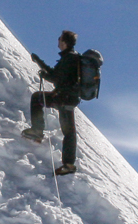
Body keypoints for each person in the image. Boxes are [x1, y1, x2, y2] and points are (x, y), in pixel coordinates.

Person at [24, 30, 89, 175]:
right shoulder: (74, 58)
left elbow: (55, 78)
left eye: (60, 39)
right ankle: (69, 164)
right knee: (69, 132)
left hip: (62, 97)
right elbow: (57, 75)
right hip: (70, 99)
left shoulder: (68, 58)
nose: (58, 41)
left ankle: (37, 131)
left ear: (64, 42)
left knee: (37, 98)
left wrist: (43, 72)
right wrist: (40, 63)